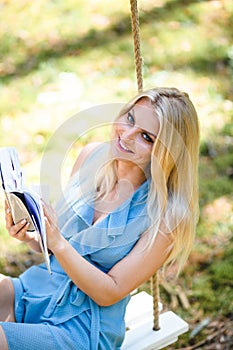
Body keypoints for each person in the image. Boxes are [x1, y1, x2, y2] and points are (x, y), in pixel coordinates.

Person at [0, 87, 200, 350]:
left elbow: (110, 291)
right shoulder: (90, 156)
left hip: (82, 327)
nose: (126, 136)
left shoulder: (167, 216)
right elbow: (57, 241)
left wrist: (58, 242)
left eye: (146, 137)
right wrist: (33, 236)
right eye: (130, 118)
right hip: (37, 290)